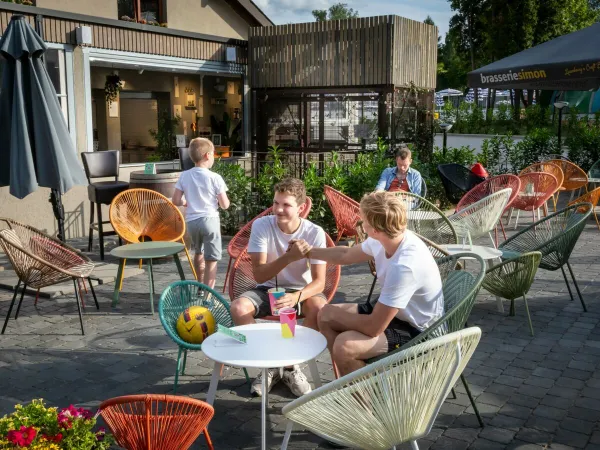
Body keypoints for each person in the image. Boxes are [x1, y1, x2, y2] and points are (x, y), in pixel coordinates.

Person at [300, 191, 444, 377]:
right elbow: (346, 255)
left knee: (345, 346)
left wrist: (342, 321)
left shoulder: (404, 266)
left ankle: (365, 403)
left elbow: (374, 327)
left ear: (375, 230)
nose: (359, 223)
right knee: (325, 314)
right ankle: (345, 383)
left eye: (363, 220)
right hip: (397, 314)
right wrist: (308, 252)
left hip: (419, 330)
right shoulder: (387, 237)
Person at [230, 178, 327, 397]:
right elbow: (260, 274)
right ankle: (269, 366)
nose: (278, 210)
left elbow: (320, 282)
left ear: (301, 208)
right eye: (276, 203)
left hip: (301, 291)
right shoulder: (262, 225)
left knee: (320, 307)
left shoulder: (314, 232)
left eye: (286, 205)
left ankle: (293, 366)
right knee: (238, 308)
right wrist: (289, 258)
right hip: (267, 289)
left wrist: (296, 297)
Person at [172, 138, 230, 289]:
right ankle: (208, 293)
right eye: (213, 154)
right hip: (209, 220)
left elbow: (176, 200)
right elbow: (225, 205)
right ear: (207, 155)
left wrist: (186, 202)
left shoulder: (184, 175)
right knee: (211, 259)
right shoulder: (215, 177)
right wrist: (220, 201)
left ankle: (200, 285)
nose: (213, 158)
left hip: (192, 222)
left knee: (198, 252)